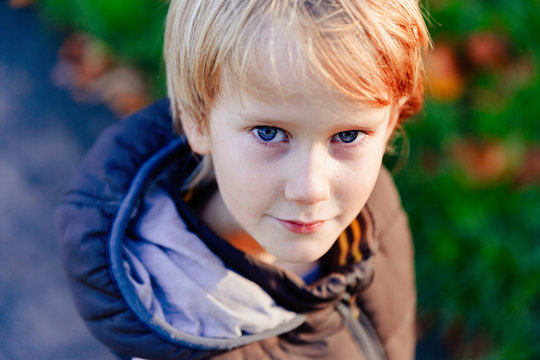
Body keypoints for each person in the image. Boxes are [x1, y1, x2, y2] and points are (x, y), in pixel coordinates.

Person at [56, 1, 430, 359]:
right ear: (197, 120)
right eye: (268, 133)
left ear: (390, 124)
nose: (311, 189)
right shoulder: (175, 327)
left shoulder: (375, 206)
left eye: (347, 136)